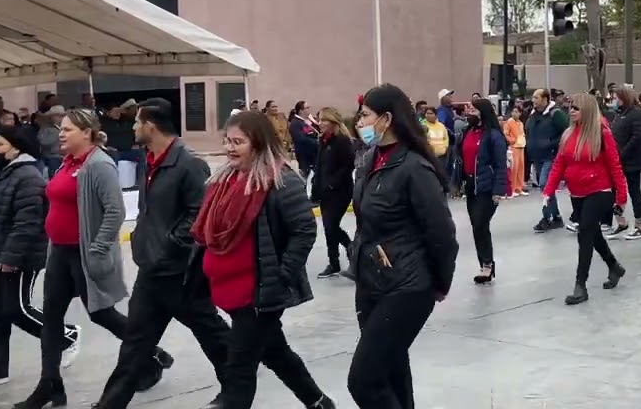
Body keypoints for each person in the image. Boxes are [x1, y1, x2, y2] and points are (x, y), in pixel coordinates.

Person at [16, 110, 174, 408]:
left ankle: (151, 353)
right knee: (50, 319)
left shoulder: (99, 165)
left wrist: (98, 248)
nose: (60, 134)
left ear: (86, 132)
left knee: (101, 314)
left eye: (67, 129)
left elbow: (115, 211)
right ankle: (50, 384)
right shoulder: (67, 162)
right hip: (59, 252)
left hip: (84, 254)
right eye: (60, 129)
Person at [191, 110, 333, 409]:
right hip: (228, 289)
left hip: (258, 294)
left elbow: (304, 229)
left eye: (238, 142)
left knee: (238, 370)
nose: (230, 147)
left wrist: (283, 274)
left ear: (258, 143)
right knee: (275, 353)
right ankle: (319, 402)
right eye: (227, 140)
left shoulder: (280, 180)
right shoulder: (225, 181)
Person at [94, 98, 230, 409]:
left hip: (181, 272)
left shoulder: (189, 164)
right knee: (135, 344)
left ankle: (237, 383)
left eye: (136, 122)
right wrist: (148, 244)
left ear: (150, 126)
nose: (132, 127)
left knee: (211, 333)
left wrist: (168, 244)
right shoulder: (151, 159)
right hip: (152, 270)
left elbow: (200, 214)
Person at [348, 84, 458, 409]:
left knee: (364, 381)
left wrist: (440, 283)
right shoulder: (370, 161)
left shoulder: (413, 168)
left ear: (386, 118)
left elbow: (442, 234)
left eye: (366, 115)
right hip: (372, 282)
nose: (360, 121)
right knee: (392, 373)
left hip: (408, 287)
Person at [0, 126, 82, 393]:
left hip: (18, 257)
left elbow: (27, 223)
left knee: (16, 309)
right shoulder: (0, 174)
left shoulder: (27, 177)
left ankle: (67, 335)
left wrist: (11, 257)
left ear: (16, 146)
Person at [542, 93, 628, 305]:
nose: (571, 111)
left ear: (587, 110)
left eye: (576, 108)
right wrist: (548, 190)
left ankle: (580, 285)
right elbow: (559, 164)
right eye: (571, 107)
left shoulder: (601, 133)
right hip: (577, 192)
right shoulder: (568, 134)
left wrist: (622, 196)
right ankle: (614, 266)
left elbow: (615, 165)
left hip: (600, 190)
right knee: (592, 232)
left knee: (585, 233)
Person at [461, 98, 508, 283]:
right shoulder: (468, 132)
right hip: (471, 185)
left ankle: (487, 266)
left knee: (480, 223)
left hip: (487, 188)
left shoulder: (493, 135)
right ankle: (484, 264)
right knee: (476, 226)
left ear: (482, 112)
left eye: (473, 110)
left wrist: (499, 190)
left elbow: (500, 165)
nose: (468, 113)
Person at [314, 107, 355, 278]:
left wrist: (332, 184)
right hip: (324, 192)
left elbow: (348, 165)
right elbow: (320, 167)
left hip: (340, 192)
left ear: (333, 122)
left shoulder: (342, 141)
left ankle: (351, 248)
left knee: (331, 226)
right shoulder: (323, 141)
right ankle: (334, 263)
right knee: (328, 228)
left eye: (324, 120)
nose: (320, 123)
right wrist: (316, 190)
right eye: (320, 120)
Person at [609, 88, 641, 240]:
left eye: (616, 98)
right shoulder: (620, 114)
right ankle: (621, 222)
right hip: (617, 160)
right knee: (615, 192)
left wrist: (623, 153)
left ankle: (639, 225)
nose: (614, 101)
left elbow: (638, 136)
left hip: (631, 160)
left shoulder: (635, 114)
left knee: (634, 192)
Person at [526, 89, 569, 232]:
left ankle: (547, 217)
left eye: (536, 97)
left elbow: (567, 132)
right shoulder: (532, 116)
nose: (533, 100)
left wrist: (551, 143)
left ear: (545, 99)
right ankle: (556, 217)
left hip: (551, 157)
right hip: (537, 157)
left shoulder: (556, 114)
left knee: (545, 185)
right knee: (545, 187)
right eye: (533, 97)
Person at [503, 107, 526, 198]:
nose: (514, 113)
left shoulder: (521, 123)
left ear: (520, 113)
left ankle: (519, 188)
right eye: (513, 111)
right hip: (514, 147)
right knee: (514, 168)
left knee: (521, 167)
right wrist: (512, 140)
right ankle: (512, 189)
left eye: (516, 112)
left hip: (521, 147)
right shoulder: (509, 122)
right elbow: (506, 134)